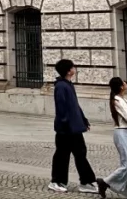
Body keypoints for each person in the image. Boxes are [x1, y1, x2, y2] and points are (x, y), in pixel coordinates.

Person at [49, 58, 99, 194]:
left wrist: (83, 120)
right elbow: (61, 107)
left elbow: (75, 106)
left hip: (74, 127)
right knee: (62, 155)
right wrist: (66, 123)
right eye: (72, 67)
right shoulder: (61, 86)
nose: (74, 69)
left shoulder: (68, 85)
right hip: (66, 129)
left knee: (80, 153)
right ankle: (56, 181)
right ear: (68, 71)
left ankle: (86, 182)